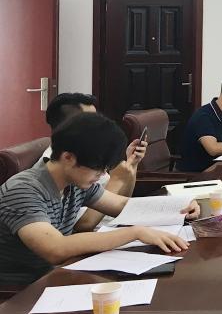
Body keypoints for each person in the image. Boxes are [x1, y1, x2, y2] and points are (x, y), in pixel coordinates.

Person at [0, 112, 199, 287]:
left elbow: (122, 205)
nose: (103, 175)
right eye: (99, 168)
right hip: (22, 290)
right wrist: (135, 232)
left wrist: (180, 206)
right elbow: (56, 248)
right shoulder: (24, 190)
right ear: (68, 158)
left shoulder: (74, 182)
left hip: (61, 273)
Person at [37, 93, 147, 232]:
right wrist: (117, 180)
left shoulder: (86, 156)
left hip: (112, 227)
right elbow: (83, 225)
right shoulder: (64, 167)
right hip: (94, 234)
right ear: (70, 125)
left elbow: (119, 202)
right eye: (92, 120)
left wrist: (131, 166)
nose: (100, 126)